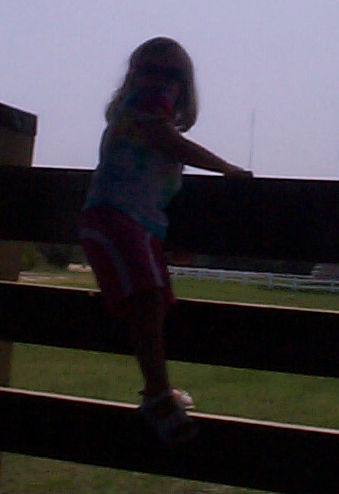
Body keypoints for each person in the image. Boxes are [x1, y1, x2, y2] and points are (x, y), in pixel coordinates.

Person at [79, 37, 251, 444]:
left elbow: (155, 187)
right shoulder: (142, 110)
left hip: (135, 224)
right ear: (132, 78)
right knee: (147, 300)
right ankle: (157, 395)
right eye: (148, 70)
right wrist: (226, 168)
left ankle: (158, 389)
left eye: (171, 75)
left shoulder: (143, 121)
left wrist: (168, 239)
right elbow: (171, 144)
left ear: (184, 88)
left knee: (155, 301)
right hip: (114, 219)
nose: (159, 80)